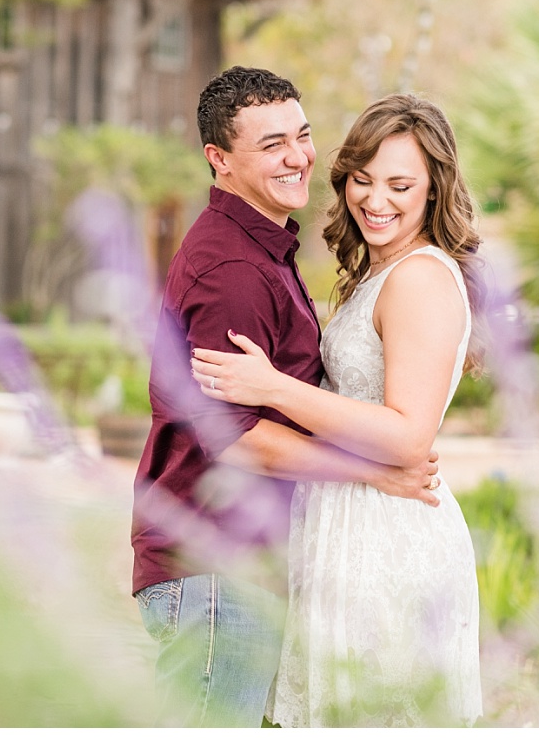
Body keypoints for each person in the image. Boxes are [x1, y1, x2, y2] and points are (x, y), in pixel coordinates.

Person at [131, 67, 444, 728]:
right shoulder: (235, 269)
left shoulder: (261, 247)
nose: (298, 156)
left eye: (301, 136)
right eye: (272, 144)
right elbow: (237, 438)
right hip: (214, 565)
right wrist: (376, 470)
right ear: (219, 159)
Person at [190, 92, 485, 726]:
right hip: (346, 519)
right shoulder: (382, 272)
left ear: (434, 189)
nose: (376, 200)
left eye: (401, 185)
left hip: (389, 533)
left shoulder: (421, 277)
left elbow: (409, 437)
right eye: (363, 179)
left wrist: (272, 387)